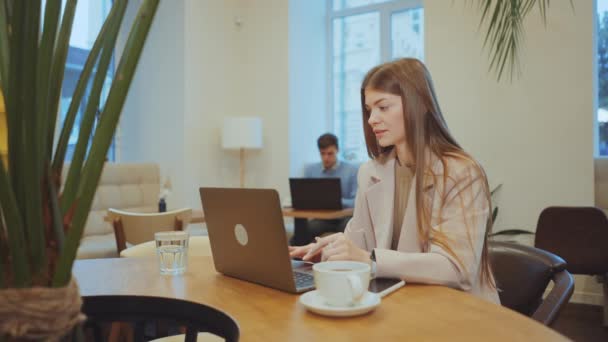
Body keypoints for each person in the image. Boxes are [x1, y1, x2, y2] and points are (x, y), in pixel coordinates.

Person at [290, 58, 499, 303]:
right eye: (369, 110)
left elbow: (456, 268)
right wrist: (331, 249)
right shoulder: (371, 173)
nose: (371, 119)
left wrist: (370, 260)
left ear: (418, 104)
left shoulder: (462, 173)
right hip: (401, 303)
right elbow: (358, 244)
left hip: (458, 310)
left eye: (383, 107)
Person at [300, 133, 358, 240]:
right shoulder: (311, 170)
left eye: (330, 153)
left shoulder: (352, 170)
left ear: (337, 150)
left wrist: (337, 201)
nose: (326, 158)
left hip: (345, 217)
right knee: (303, 231)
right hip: (322, 218)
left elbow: (357, 200)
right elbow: (305, 198)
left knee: (347, 228)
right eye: (322, 154)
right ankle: (296, 256)